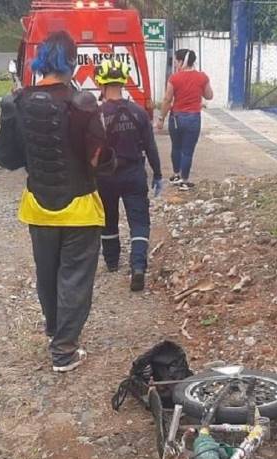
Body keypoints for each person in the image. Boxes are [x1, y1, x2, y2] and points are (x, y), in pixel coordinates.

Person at [0, 31, 115, 373]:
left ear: (40, 61)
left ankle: (54, 333)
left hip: (38, 207)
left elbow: (7, 160)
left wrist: (7, 117)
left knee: (47, 275)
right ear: (72, 63)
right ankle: (63, 350)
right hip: (79, 209)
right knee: (74, 276)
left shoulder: (17, 102)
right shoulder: (83, 104)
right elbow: (99, 161)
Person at [94, 59, 163, 292]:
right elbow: (151, 147)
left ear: (101, 84)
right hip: (134, 174)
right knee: (139, 221)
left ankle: (112, 262)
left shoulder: (97, 114)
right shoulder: (138, 112)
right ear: (124, 82)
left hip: (105, 176)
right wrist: (158, 174)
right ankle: (138, 266)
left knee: (109, 219)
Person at [156, 49, 213, 191]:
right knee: (187, 151)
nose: (175, 64)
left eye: (176, 61)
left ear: (182, 61)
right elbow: (209, 95)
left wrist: (161, 118)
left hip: (176, 118)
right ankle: (184, 180)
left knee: (176, 147)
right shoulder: (202, 77)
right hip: (193, 118)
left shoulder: (174, 78)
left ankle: (176, 175)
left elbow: (167, 99)